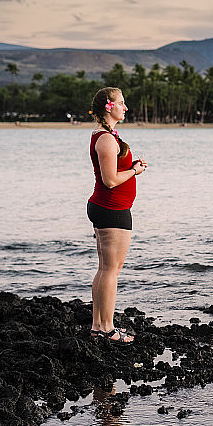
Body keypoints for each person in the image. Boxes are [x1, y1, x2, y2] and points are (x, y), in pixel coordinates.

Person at [87, 87, 146, 344]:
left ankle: (98, 326)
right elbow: (110, 180)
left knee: (105, 269)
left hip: (109, 208)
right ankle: (108, 329)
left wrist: (132, 167)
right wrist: (134, 171)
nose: (126, 107)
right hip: (112, 209)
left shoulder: (107, 135)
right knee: (111, 270)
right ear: (109, 106)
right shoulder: (106, 139)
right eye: (121, 103)